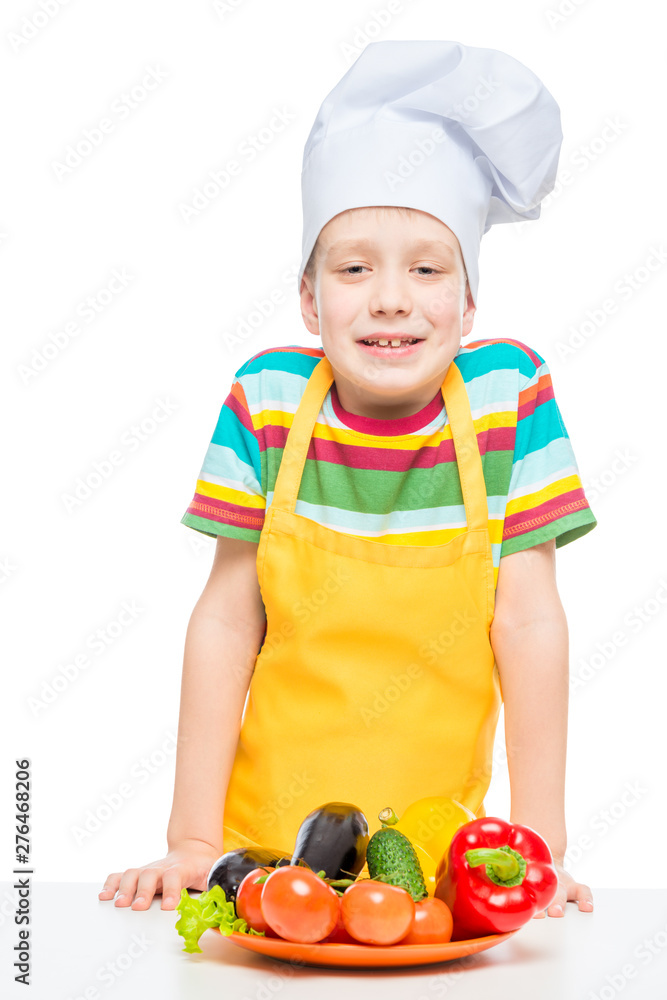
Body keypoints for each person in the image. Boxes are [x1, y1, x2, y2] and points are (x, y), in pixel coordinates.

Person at [100, 39, 597, 919]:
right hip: (261, 864)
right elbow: (225, 618)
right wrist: (190, 843)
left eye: (427, 268)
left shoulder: (505, 399)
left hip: (439, 874)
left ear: (470, 300)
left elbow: (527, 620)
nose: (391, 297)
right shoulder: (268, 400)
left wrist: (540, 847)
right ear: (308, 299)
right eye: (354, 266)